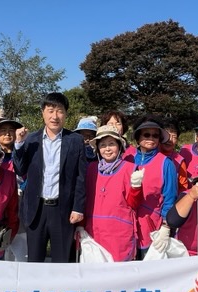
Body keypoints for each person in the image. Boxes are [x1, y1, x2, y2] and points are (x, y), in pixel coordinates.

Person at [13, 92, 87, 263]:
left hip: (63, 209)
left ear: (65, 114)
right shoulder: (31, 140)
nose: (55, 116)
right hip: (36, 209)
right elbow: (19, 169)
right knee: (34, 261)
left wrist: (78, 208)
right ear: (43, 113)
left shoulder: (75, 140)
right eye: (50, 110)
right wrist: (19, 144)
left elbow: (81, 178)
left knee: (61, 261)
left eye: (59, 111)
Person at [81, 125, 142, 261]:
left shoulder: (130, 169)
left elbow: (134, 203)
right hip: (94, 231)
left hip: (119, 234)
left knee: (119, 272)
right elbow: (84, 199)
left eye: (111, 144)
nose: (107, 149)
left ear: (119, 146)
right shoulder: (91, 169)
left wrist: (136, 187)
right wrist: (80, 226)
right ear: (97, 149)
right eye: (102, 145)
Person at [128, 116, 178, 257]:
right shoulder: (127, 159)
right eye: (146, 134)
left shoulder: (166, 163)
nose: (151, 138)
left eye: (155, 135)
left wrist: (166, 226)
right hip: (126, 226)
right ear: (138, 137)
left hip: (151, 228)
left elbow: (170, 197)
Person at [160, 118, 189, 192]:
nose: (170, 140)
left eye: (174, 137)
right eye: (167, 135)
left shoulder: (179, 161)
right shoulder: (149, 155)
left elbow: (183, 187)